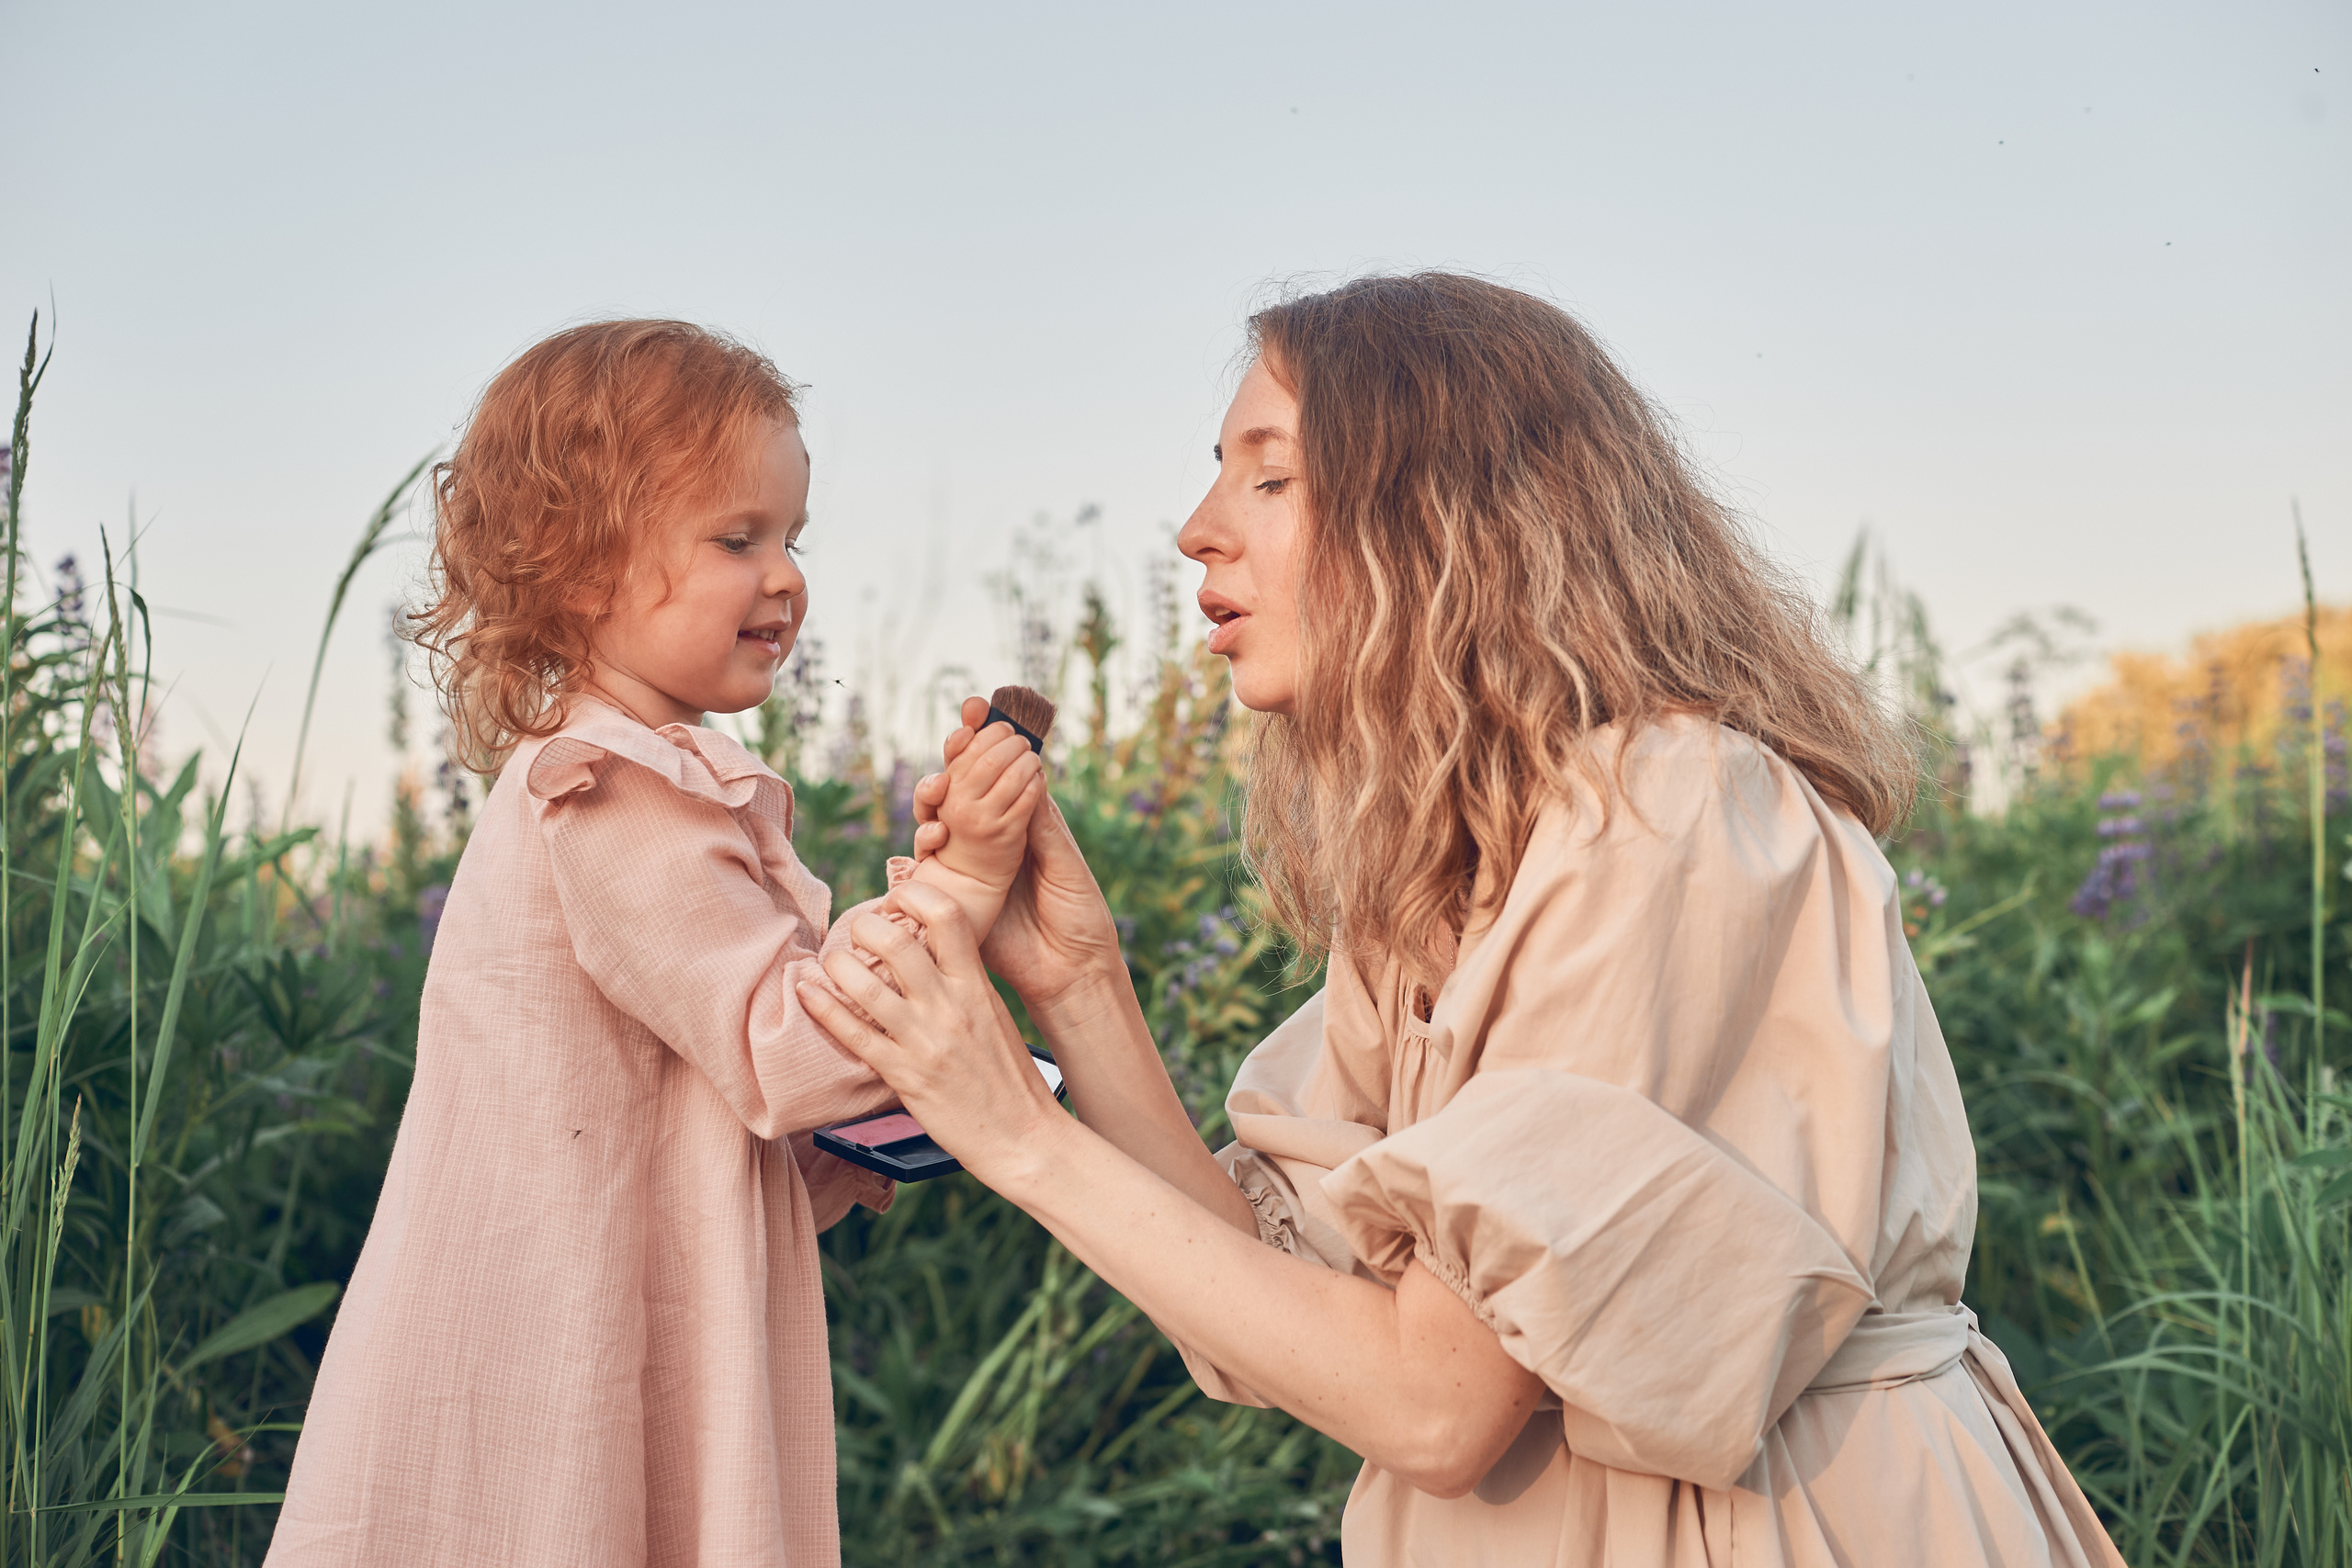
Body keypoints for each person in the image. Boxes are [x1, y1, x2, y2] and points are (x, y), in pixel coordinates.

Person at [797, 275, 2128, 1565]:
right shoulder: (1455, 867)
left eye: (1272, 476)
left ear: (1447, 518)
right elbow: (1257, 1303)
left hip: (1787, 1527)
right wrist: (1078, 981)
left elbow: (1435, 1403)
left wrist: (1014, 1131)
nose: (1199, 527)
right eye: (1219, 472)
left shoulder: (1672, 810)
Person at [267, 320, 1046, 1568]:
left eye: (792, 536)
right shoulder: (608, 791)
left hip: (604, 1293)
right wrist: (955, 885)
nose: (785, 576)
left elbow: (725, 1098)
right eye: (737, 539)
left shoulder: (649, 777)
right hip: (576, 1329)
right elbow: (780, 1051)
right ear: (580, 571)